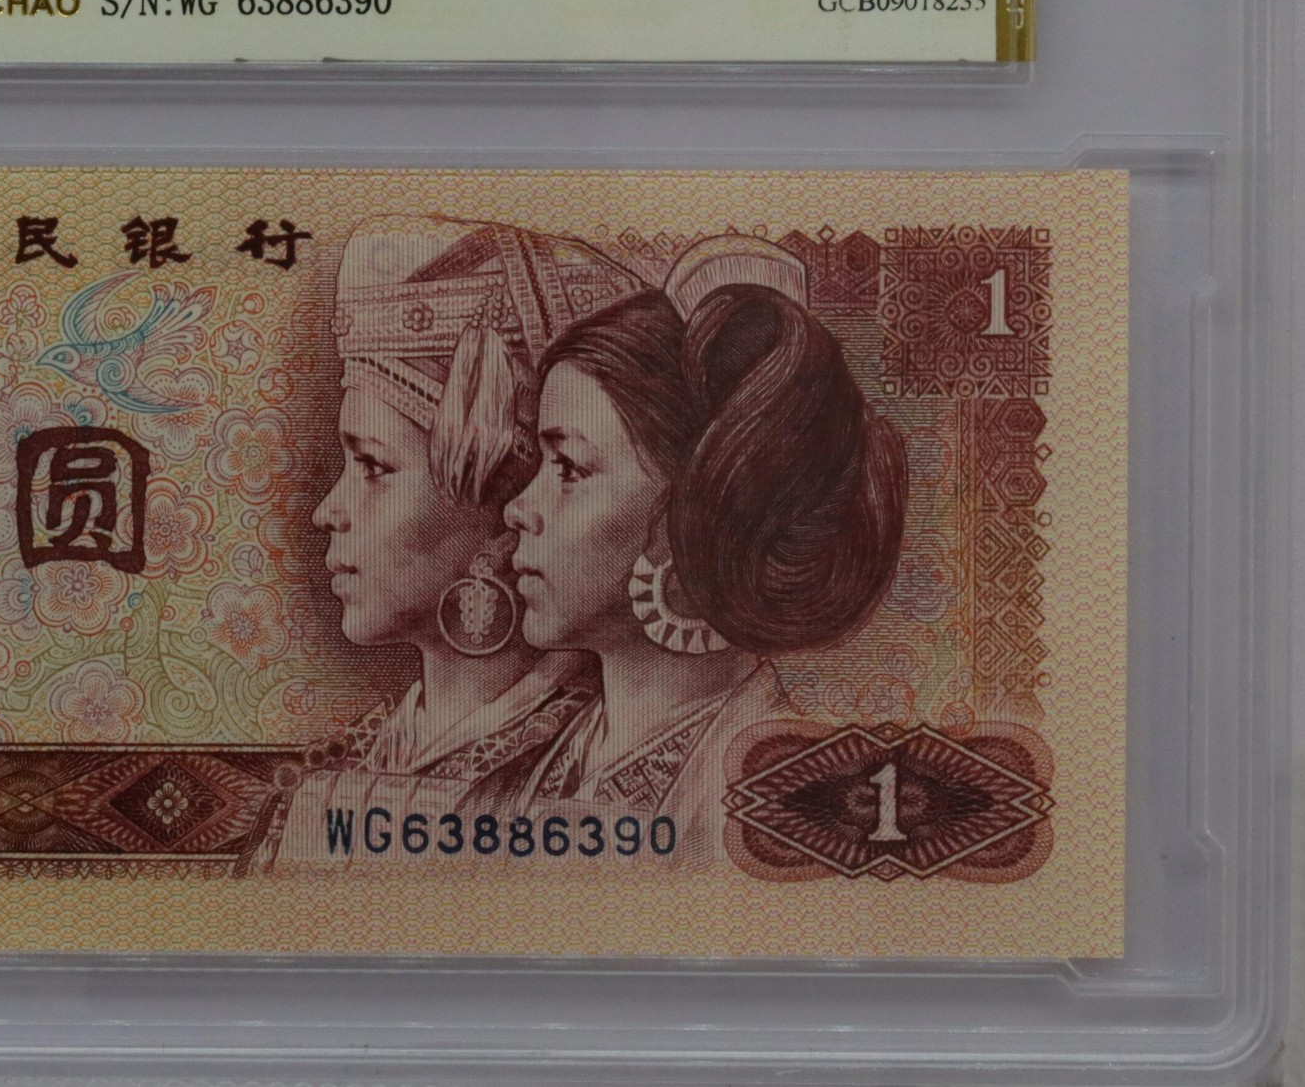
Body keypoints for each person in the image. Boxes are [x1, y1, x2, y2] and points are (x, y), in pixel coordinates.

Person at [244, 217, 645, 869]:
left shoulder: (600, 777)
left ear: (504, 510)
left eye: (373, 466)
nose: (327, 511)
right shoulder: (339, 772)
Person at [497, 235, 908, 863]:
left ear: (695, 510)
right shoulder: (521, 768)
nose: (517, 509)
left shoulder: (787, 801)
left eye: (570, 468)